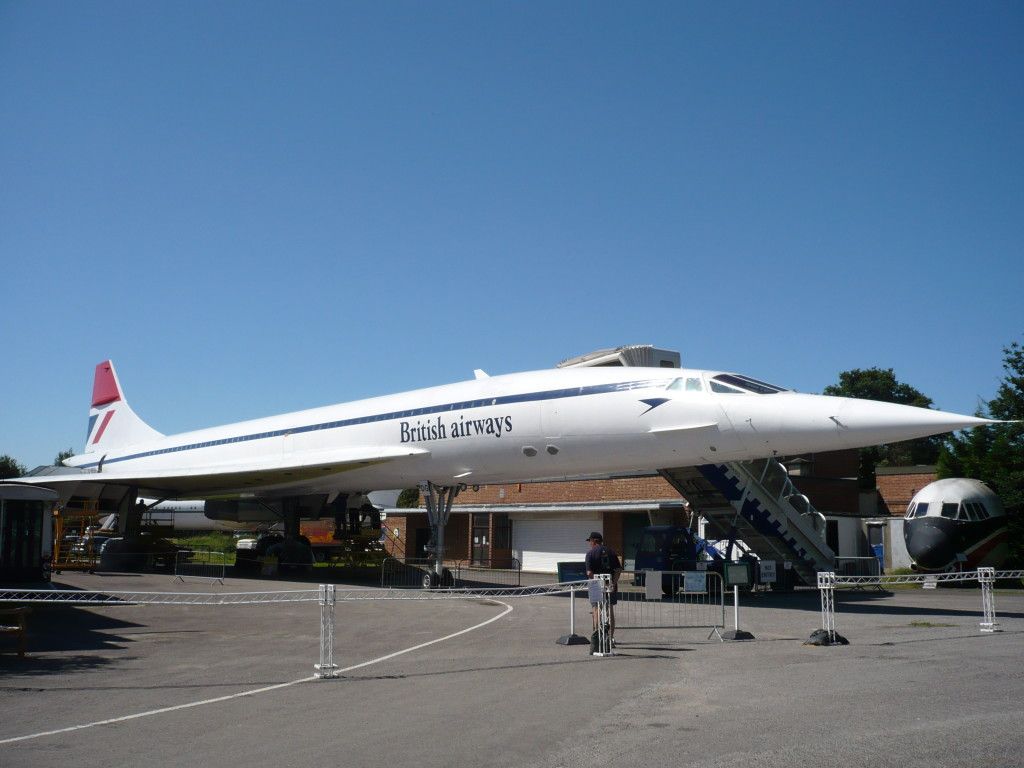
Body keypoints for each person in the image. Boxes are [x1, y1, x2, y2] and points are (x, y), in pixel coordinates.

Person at [585, 531, 621, 647]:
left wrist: (596, 581)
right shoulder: (611, 552)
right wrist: (613, 583)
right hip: (610, 584)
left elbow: (589, 572)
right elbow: (618, 570)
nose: (589, 544)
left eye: (590, 541)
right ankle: (610, 639)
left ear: (594, 541)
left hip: (596, 585)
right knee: (609, 611)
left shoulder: (590, 554)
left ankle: (598, 638)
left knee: (596, 610)